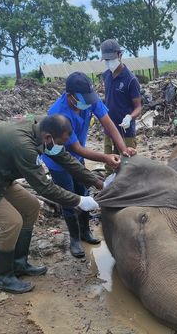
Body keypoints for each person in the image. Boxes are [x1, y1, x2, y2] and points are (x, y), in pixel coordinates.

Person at [0, 115, 103, 294]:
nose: (61, 147)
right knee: (11, 221)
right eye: (60, 142)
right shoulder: (23, 145)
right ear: (48, 137)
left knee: (31, 207)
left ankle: (19, 263)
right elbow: (45, 187)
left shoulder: (40, 131)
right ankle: (3, 277)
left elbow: (65, 158)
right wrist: (79, 200)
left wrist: (96, 181)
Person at [43, 72, 136, 258]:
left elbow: (109, 124)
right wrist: (105, 158)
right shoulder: (58, 113)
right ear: (70, 96)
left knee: (83, 192)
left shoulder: (90, 100)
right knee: (68, 198)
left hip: (78, 157)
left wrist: (123, 149)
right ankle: (75, 239)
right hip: (58, 160)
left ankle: (85, 231)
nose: (88, 102)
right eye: (83, 99)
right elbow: (75, 148)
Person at [100, 39, 143, 175]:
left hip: (126, 131)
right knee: (109, 163)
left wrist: (130, 117)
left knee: (127, 164)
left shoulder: (130, 80)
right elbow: (108, 98)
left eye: (111, 59)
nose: (109, 63)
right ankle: (108, 188)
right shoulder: (106, 75)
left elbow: (138, 107)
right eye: (106, 60)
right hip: (109, 129)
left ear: (119, 55)